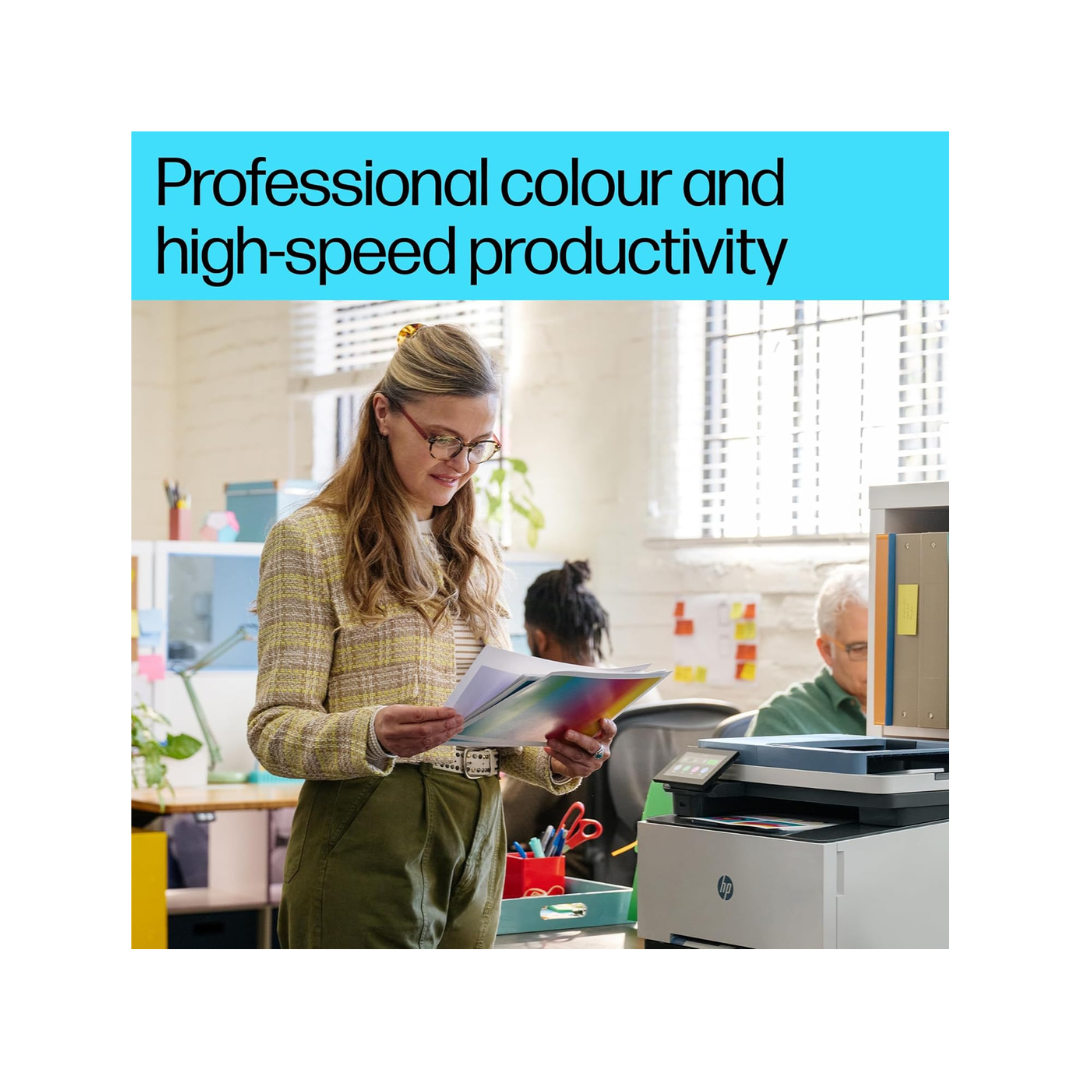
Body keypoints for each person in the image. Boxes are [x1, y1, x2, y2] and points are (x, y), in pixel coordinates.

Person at [247, 323, 616, 949]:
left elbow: (489, 727)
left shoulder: (478, 551)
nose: (460, 464)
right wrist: (373, 732)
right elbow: (273, 731)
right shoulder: (310, 540)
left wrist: (554, 754)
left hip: (478, 833)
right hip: (367, 831)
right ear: (385, 413)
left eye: (479, 446)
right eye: (442, 439)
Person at [502, 560, 661, 870]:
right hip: (643, 858)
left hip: (573, 869)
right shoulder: (643, 692)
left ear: (539, 637)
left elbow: (511, 820)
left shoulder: (555, 708)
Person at [748, 564, 869, 737]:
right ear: (827, 651)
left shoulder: (918, 712)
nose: (883, 663)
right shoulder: (784, 720)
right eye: (861, 649)